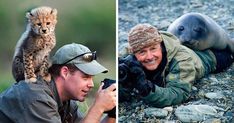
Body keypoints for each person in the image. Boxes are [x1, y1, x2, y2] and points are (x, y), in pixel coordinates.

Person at [119, 23, 233, 107]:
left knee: (229, 55)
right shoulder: (129, 58)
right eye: (142, 52)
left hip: (209, 59)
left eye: (153, 49)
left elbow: (177, 93)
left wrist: (146, 88)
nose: (149, 56)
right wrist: (123, 82)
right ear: (134, 52)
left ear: (160, 45)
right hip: (185, 46)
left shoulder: (181, 60)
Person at [0, 43, 116, 123]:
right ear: (65, 72)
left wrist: (112, 113)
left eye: (92, 78)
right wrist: (98, 108)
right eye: (85, 77)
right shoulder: (36, 98)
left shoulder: (66, 101)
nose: (91, 84)